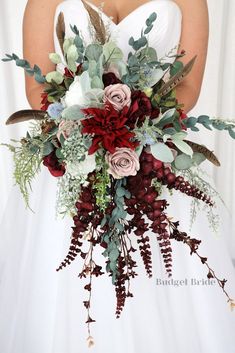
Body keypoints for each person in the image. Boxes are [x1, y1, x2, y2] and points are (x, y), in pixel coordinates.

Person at [0, 1, 235, 352]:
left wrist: (134, 131)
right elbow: (38, 93)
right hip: (73, 159)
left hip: (156, 156)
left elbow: (186, 88)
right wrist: (91, 134)